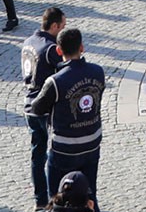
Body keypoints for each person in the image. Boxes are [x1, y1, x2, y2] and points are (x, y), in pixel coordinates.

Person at [30, 28, 106, 197]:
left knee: (57, 199)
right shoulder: (98, 72)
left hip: (65, 149)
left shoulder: (56, 81)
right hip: (92, 144)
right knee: (90, 195)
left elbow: (37, 108)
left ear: (58, 50)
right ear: (82, 47)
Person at [21, 8, 66, 208]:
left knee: (37, 155)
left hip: (29, 104)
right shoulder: (50, 48)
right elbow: (65, 71)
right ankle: (54, 196)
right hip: (45, 107)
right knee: (55, 155)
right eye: (62, 27)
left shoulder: (29, 41)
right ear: (54, 26)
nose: (63, 31)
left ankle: (40, 200)